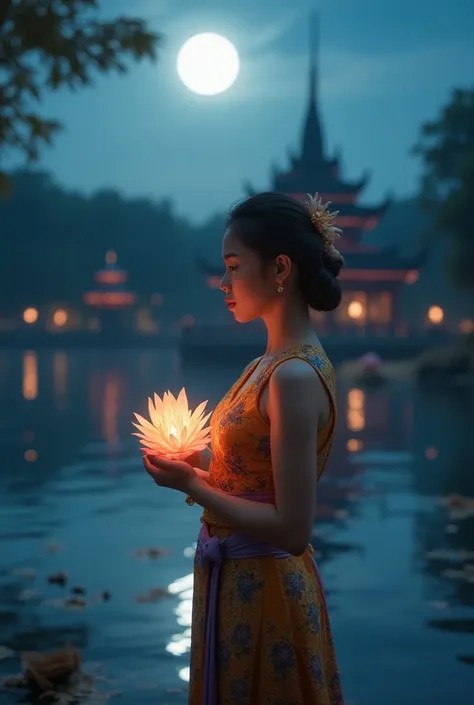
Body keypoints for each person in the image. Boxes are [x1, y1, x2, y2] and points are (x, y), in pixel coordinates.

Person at [143, 191, 345, 705]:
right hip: (233, 577)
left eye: (234, 267)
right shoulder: (268, 363)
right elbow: (255, 476)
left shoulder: (294, 376)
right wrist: (200, 465)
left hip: (267, 589)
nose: (223, 282)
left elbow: (293, 529)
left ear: (280, 269)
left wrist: (193, 486)